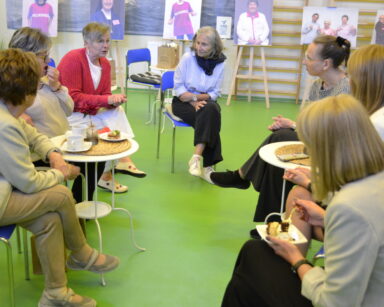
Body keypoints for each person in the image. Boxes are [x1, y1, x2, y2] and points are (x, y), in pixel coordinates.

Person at [222, 94, 384, 307]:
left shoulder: (349, 207)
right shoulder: (373, 181)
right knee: (256, 255)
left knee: (254, 254)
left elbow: (333, 302)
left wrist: (297, 260)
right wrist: (325, 219)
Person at [0, 48, 119, 307]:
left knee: (50, 219)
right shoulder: (4, 124)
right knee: (62, 193)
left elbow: (33, 136)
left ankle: (56, 293)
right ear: (29, 94)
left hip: (7, 191)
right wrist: (61, 172)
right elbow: (28, 182)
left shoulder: (6, 111)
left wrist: (53, 153)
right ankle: (81, 253)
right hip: (2, 198)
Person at [211, 36, 351, 226]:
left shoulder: (346, 90)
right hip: (316, 140)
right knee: (279, 142)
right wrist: (291, 123)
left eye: (309, 58)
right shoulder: (318, 86)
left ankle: (243, 179)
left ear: (326, 64)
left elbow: (335, 133)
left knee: (280, 141)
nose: (304, 61)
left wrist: (293, 126)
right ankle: (272, 220)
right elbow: (311, 123)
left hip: (334, 150)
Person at [58, 22, 146, 194]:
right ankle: (117, 163)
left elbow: (104, 94)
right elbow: (73, 99)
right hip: (70, 114)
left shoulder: (105, 64)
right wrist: (106, 99)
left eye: (107, 41)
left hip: (90, 111)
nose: (106, 45)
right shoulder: (73, 59)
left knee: (117, 112)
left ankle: (114, 163)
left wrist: (113, 102)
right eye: (100, 41)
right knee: (100, 135)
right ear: (86, 43)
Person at [172, 26, 226, 183]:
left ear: (214, 47)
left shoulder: (221, 63)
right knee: (211, 116)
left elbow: (216, 92)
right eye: (197, 43)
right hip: (182, 102)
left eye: (204, 44)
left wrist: (197, 99)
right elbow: (178, 88)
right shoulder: (188, 58)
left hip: (206, 102)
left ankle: (196, 157)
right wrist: (193, 100)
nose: (199, 47)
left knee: (209, 110)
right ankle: (207, 167)